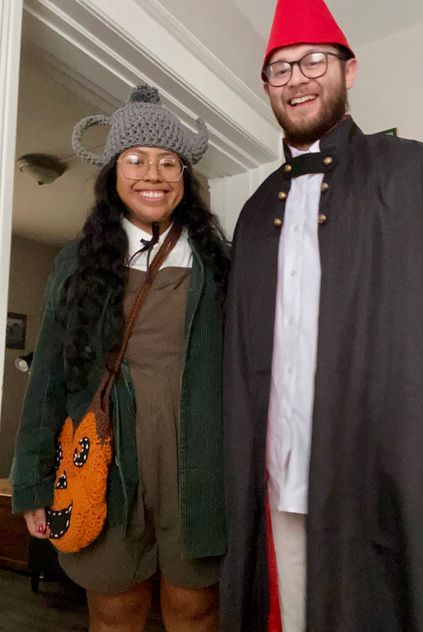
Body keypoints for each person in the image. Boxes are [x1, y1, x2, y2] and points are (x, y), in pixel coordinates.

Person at [221, 1, 423, 630]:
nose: (297, 79)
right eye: (279, 70)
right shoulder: (254, 211)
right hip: (281, 469)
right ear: (267, 88)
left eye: (313, 61)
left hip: (381, 466)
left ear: (349, 69)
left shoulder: (414, 169)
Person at [11, 85, 229, 632]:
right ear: (112, 174)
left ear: (184, 176)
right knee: (114, 611)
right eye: (135, 159)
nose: (152, 173)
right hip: (107, 461)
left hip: (202, 464)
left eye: (167, 161)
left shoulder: (218, 263)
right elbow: (49, 380)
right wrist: (33, 482)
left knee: (196, 611)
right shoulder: (75, 263)